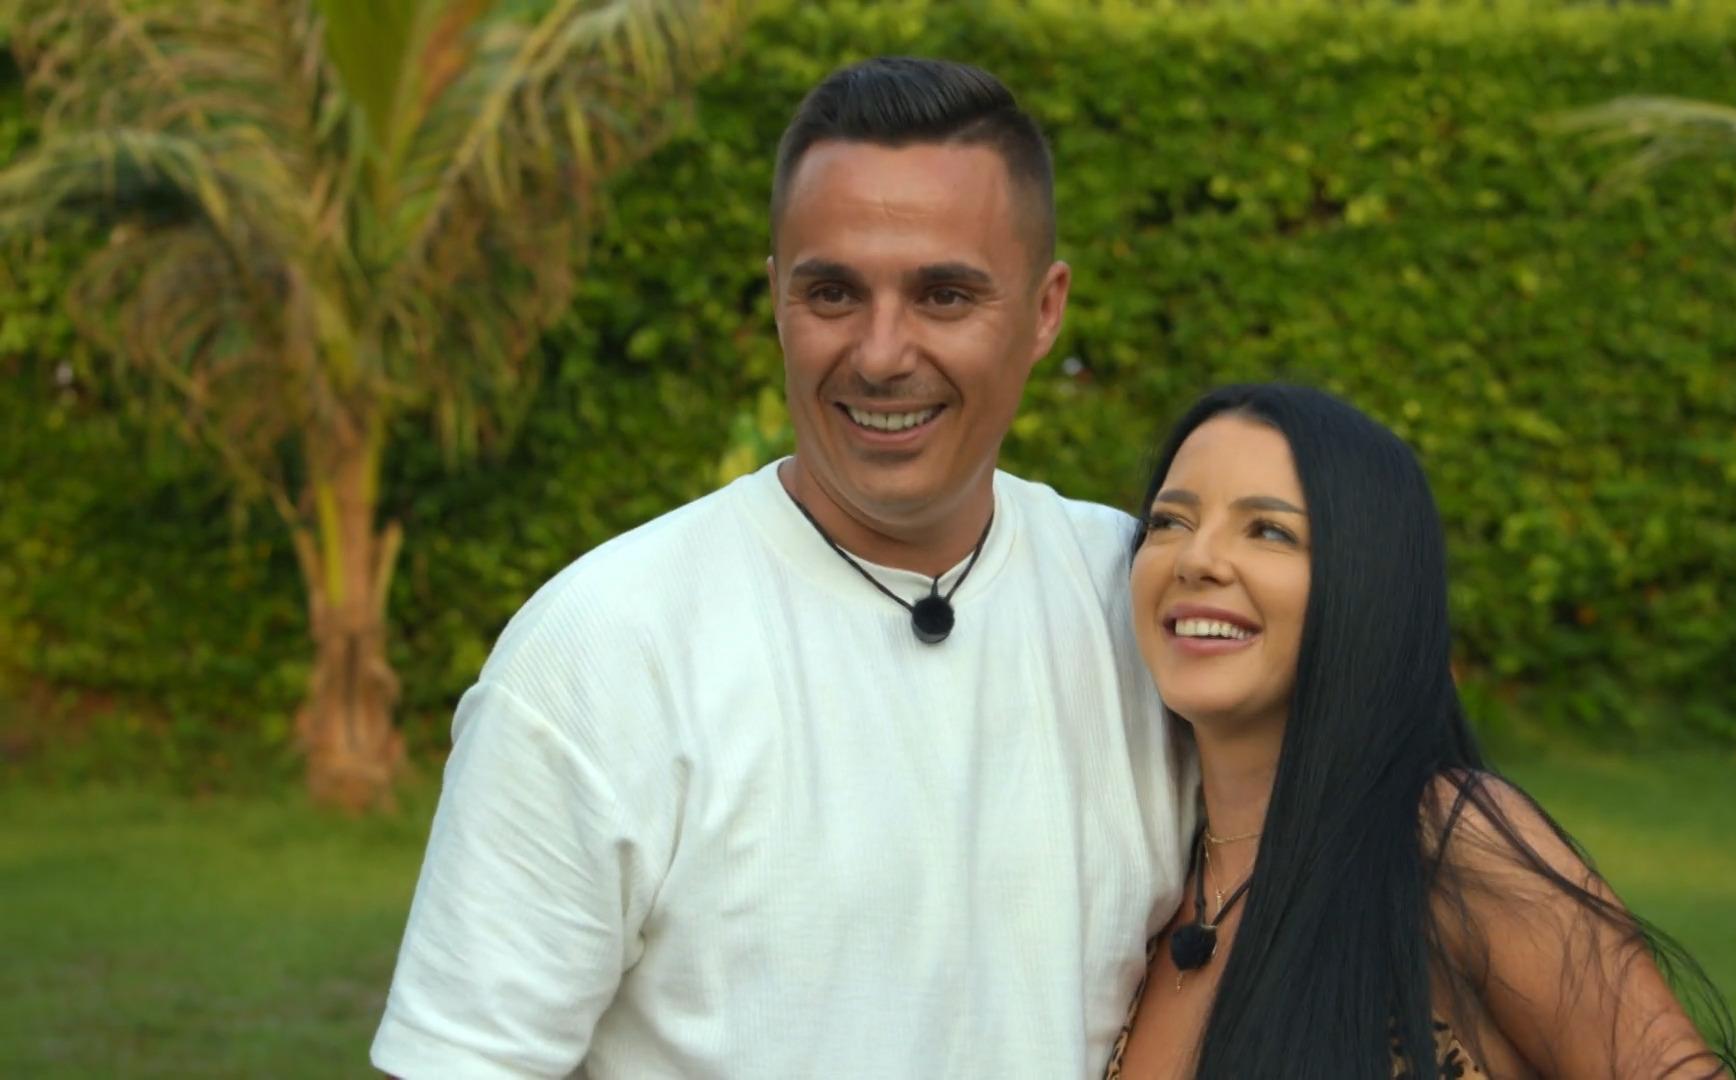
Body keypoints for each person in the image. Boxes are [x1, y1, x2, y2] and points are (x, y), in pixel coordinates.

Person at [370, 58, 1191, 1078]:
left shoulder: (1143, 604)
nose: (881, 354)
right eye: (832, 292)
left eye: (944, 295)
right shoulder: (603, 651)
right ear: (775, 298)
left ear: (1045, 309)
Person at [1105, 383, 1736, 1079]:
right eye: (1169, 522)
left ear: (1369, 584)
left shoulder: (1440, 843)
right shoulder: (1148, 891)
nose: (1197, 558)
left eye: (1270, 531)